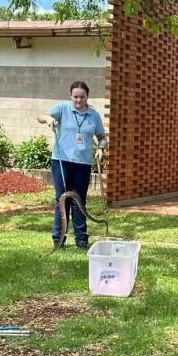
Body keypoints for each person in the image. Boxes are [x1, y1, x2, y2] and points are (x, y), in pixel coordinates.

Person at [37, 81, 107, 250]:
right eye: (75, 97)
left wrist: (101, 149)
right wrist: (48, 119)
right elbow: (41, 116)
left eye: (82, 97)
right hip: (61, 161)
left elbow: (102, 137)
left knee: (79, 201)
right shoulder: (62, 109)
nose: (78, 100)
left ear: (87, 97)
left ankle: (81, 240)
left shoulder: (93, 115)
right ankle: (58, 239)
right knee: (62, 199)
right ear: (70, 96)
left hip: (82, 164)